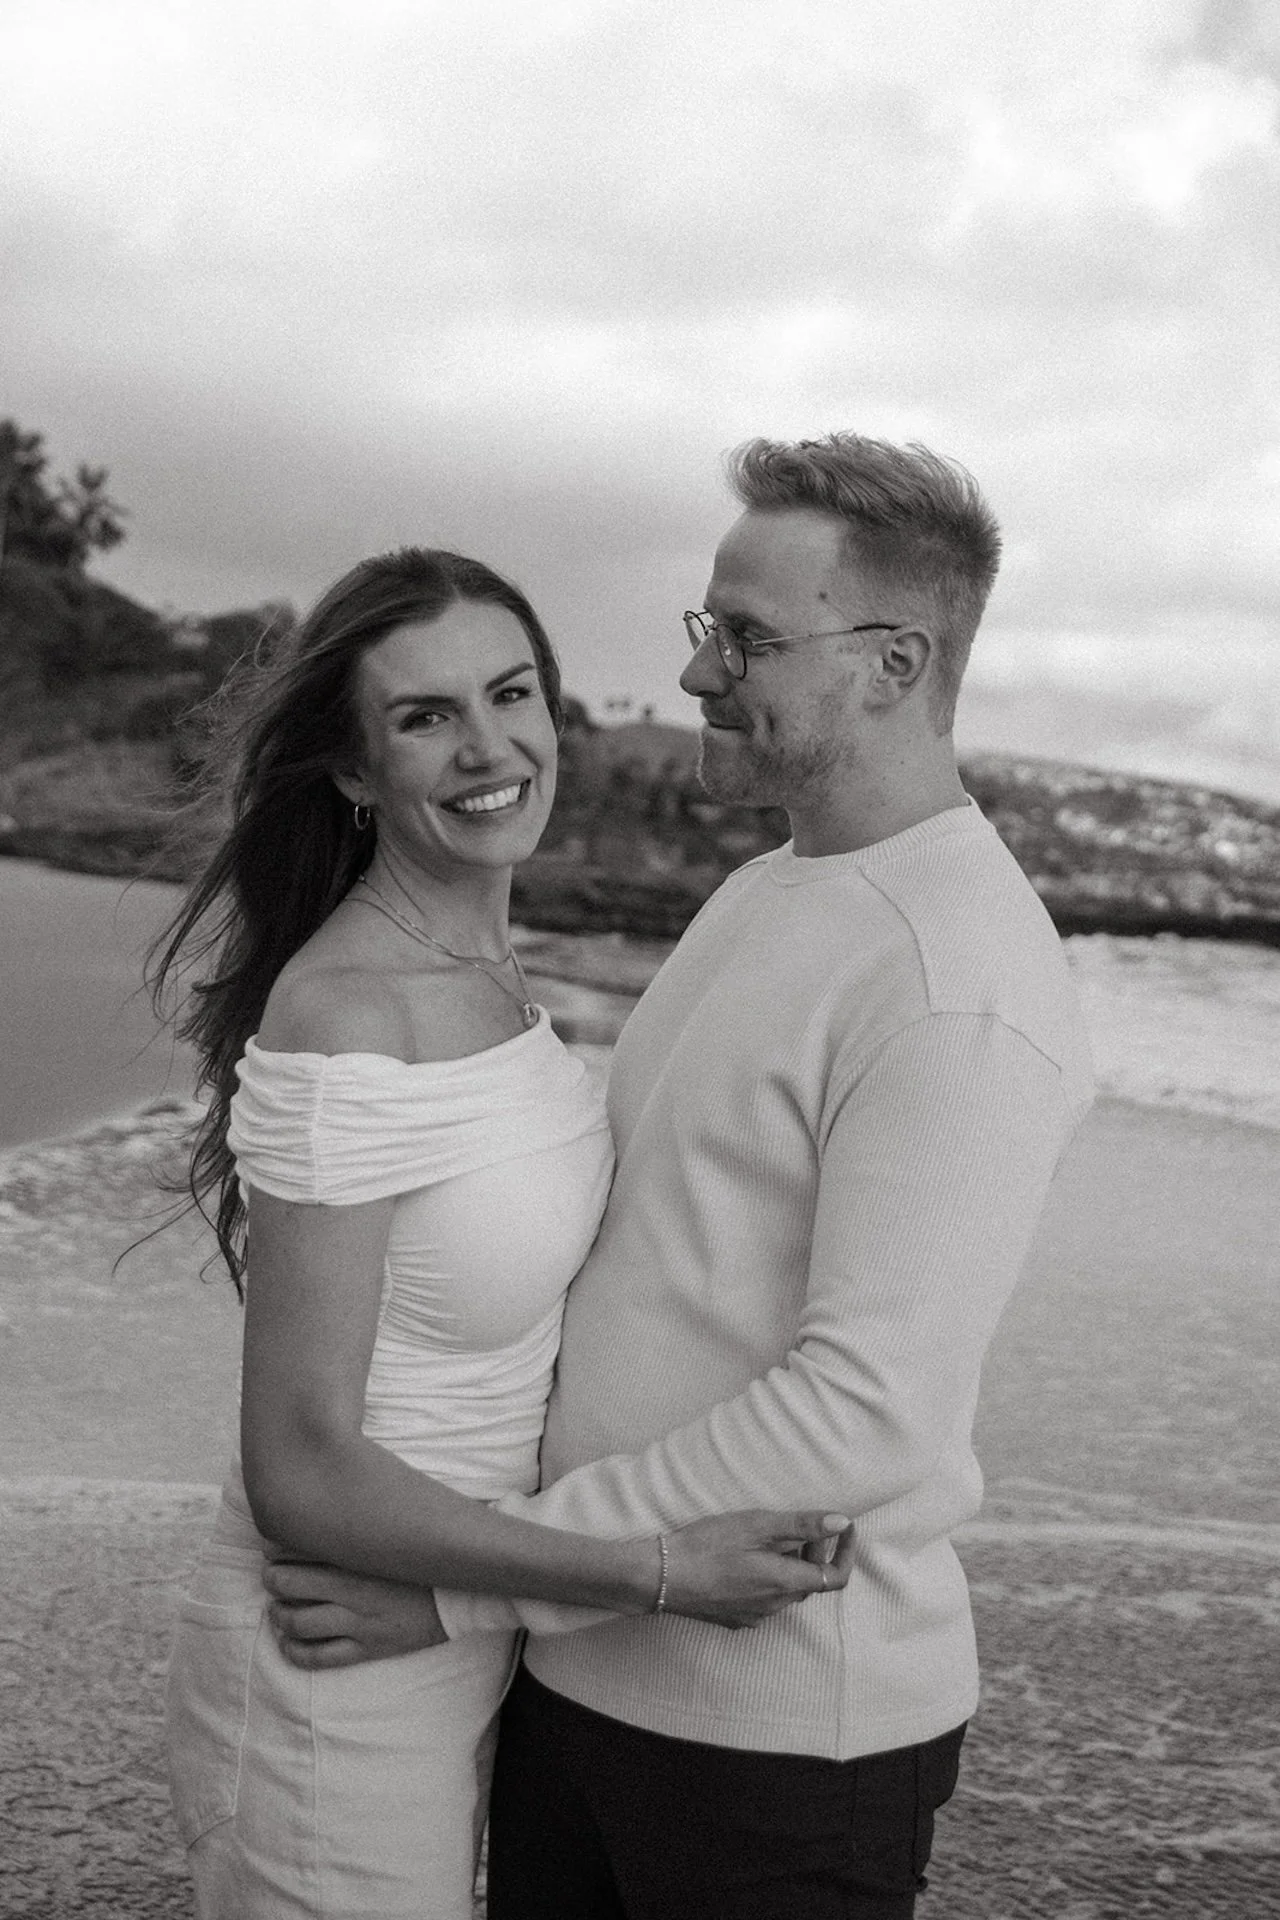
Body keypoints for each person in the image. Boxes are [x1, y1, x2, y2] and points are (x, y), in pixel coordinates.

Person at [267, 436, 1095, 1919]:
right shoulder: (773, 886)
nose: (703, 673)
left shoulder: (958, 975)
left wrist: (480, 1582)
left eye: (751, 640)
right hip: (585, 1676)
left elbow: (868, 1407)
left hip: (776, 1738)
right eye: (706, 627)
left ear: (895, 660)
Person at [151, 546, 853, 1920]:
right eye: (424, 717)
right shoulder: (351, 1014)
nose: (489, 748)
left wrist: (482, 1609)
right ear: (353, 771)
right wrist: (649, 1572)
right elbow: (298, 1463)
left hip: (438, 1627)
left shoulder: (490, 970)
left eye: (510, 692)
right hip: (324, 1668)